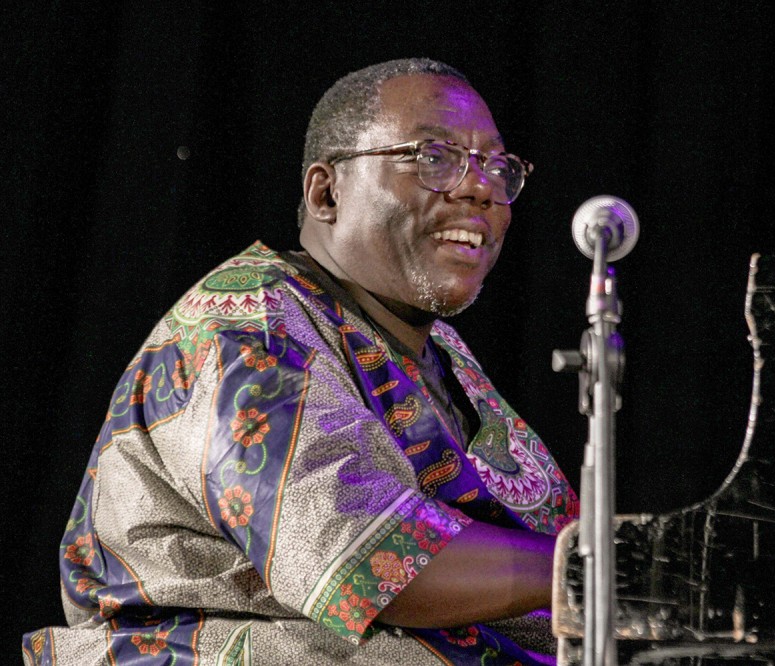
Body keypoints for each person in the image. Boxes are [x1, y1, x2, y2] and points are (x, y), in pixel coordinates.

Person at [22, 58, 578, 665]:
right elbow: (377, 566)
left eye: (497, 166)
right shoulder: (243, 327)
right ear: (325, 192)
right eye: (434, 157)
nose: (480, 188)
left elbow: (543, 555)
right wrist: (606, 566)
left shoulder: (441, 355)